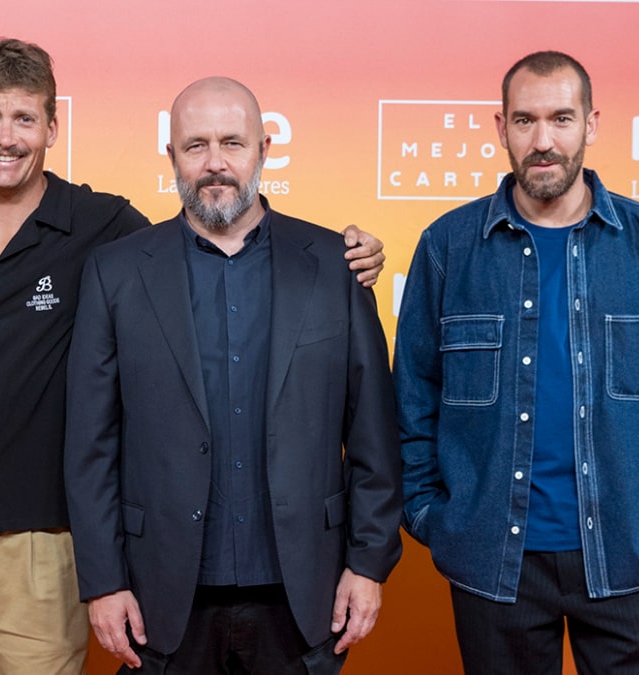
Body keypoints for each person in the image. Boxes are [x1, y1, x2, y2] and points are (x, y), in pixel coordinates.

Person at [0, 41, 387, 674]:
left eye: (25, 118)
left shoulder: (112, 233)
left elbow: (371, 431)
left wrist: (358, 252)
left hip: (68, 537)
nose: (215, 163)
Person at [393, 51, 639, 675]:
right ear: (500, 128)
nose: (543, 141)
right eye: (524, 121)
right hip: (492, 562)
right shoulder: (447, 247)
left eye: (561, 119)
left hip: (632, 556)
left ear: (591, 124)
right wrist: (431, 516)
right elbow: (414, 398)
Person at [63, 76, 403, 675]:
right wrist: (102, 581)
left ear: (265, 149)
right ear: (171, 156)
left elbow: (374, 434)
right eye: (195, 146)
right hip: (160, 597)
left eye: (232, 143)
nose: (214, 163)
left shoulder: (334, 264)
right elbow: (89, 445)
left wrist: (369, 563)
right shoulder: (115, 273)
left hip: (306, 596)